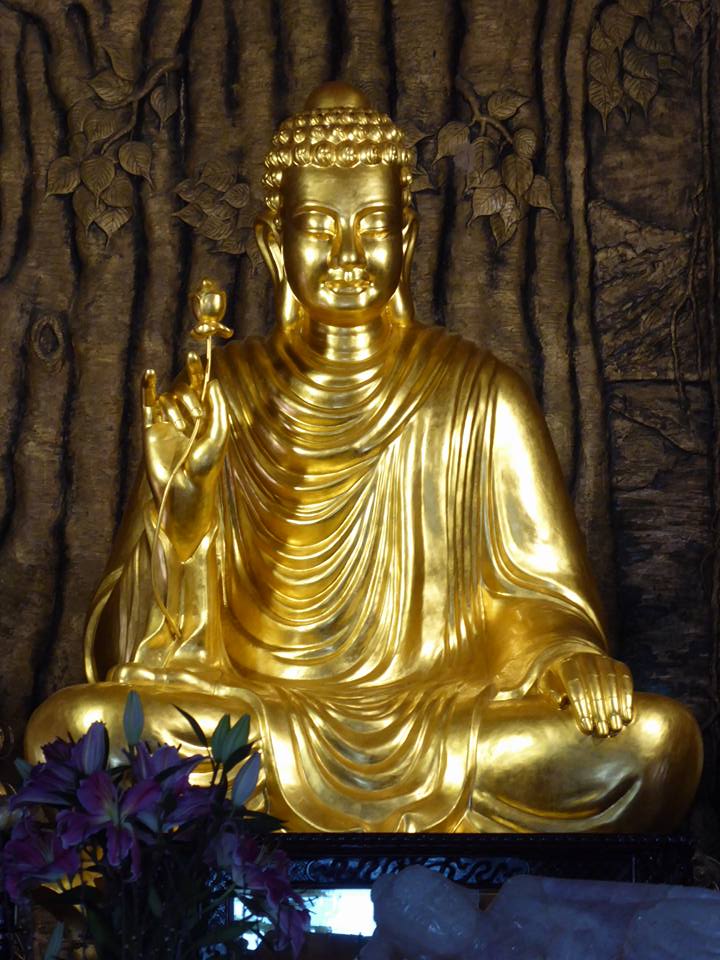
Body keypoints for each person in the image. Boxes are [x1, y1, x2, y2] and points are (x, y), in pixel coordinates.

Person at [25, 82, 702, 833]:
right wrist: (184, 509)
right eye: (319, 228)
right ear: (273, 244)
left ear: (406, 240)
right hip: (258, 721)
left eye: (373, 226)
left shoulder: (481, 395)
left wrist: (565, 660)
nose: (348, 255)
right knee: (76, 728)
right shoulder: (220, 395)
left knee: (658, 742)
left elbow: (536, 599)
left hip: (446, 720)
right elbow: (135, 658)